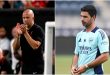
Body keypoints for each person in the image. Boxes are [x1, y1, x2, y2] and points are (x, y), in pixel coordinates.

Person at [71, 5, 109, 75]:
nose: (82, 19)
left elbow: (105, 56)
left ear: (93, 17)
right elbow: (77, 54)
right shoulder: (79, 34)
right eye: (81, 16)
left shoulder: (100, 33)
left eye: (85, 17)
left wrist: (86, 67)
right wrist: (73, 67)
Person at [13, 9, 44, 74]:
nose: (25, 19)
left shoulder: (38, 30)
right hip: (25, 66)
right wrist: (18, 36)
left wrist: (25, 33)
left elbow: (35, 46)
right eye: (23, 18)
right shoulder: (22, 30)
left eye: (27, 17)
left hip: (36, 67)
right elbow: (15, 48)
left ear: (33, 18)